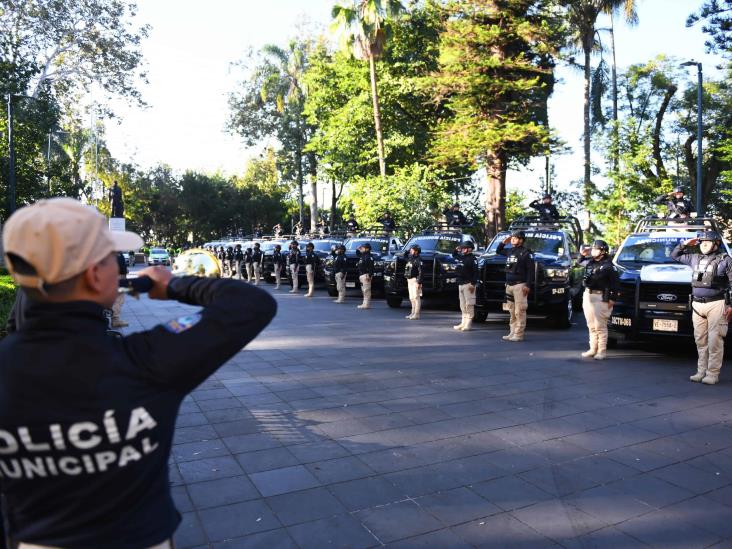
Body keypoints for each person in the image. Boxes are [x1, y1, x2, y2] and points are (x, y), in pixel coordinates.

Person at [0, 197, 277, 548]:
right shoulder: (145, 361)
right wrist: (173, 284)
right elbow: (250, 304)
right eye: (112, 259)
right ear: (94, 274)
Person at [671, 232, 732, 384]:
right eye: (702, 241)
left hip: (717, 304)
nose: (704, 244)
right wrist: (686, 243)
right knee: (700, 340)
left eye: (708, 241)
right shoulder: (695, 258)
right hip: (697, 305)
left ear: (716, 244)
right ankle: (701, 372)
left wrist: (731, 305)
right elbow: (675, 255)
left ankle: (712, 374)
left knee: (714, 340)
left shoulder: (726, 260)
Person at [577, 240, 619, 360]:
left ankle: (601, 351)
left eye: (596, 249)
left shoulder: (609, 266)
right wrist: (582, 255)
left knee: (600, 326)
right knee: (591, 325)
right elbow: (579, 262)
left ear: (603, 251)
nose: (593, 251)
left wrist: (613, 299)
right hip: (588, 295)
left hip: (600, 297)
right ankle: (592, 349)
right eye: (593, 249)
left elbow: (616, 284)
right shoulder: (590, 262)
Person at [497, 230, 534, 341]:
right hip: (509, 285)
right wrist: (504, 242)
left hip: (520, 285)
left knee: (520, 311)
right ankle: (512, 332)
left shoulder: (526, 253)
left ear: (521, 240)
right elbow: (499, 251)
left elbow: (530, 271)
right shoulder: (510, 251)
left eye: (515, 237)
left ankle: (519, 334)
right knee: (512, 310)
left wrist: (528, 285)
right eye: (512, 237)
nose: (512, 239)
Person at [453, 241, 479, 331]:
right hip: (461, 283)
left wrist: (473, 283)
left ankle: (468, 323)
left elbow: (476, 272)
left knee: (469, 305)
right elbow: (454, 255)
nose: (462, 249)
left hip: (469, 284)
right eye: (462, 248)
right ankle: (463, 322)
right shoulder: (461, 257)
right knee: (462, 305)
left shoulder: (473, 259)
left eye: (465, 248)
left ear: (470, 249)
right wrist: (456, 249)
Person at [404, 244, 423, 320]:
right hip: (409, 279)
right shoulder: (410, 258)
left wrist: (419, 282)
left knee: (416, 297)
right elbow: (404, 256)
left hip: (415, 280)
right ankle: (412, 313)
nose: (410, 251)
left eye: (412, 249)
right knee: (411, 298)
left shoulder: (419, 259)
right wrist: (407, 250)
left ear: (416, 251)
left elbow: (421, 272)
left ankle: (416, 314)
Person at [111, 252, 129, 328]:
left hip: (121, 277)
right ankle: (115, 320)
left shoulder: (117, 252)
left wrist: (125, 270)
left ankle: (115, 319)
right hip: (118, 278)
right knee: (119, 299)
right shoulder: (113, 252)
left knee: (120, 299)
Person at [357, 242, 374, 309]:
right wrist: (358, 248)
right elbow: (358, 253)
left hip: (366, 275)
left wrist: (369, 275)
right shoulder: (363, 255)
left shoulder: (369, 257)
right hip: (362, 274)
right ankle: (364, 303)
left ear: (367, 249)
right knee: (364, 290)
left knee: (366, 290)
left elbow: (371, 267)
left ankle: (366, 304)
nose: (362, 249)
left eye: (363, 248)